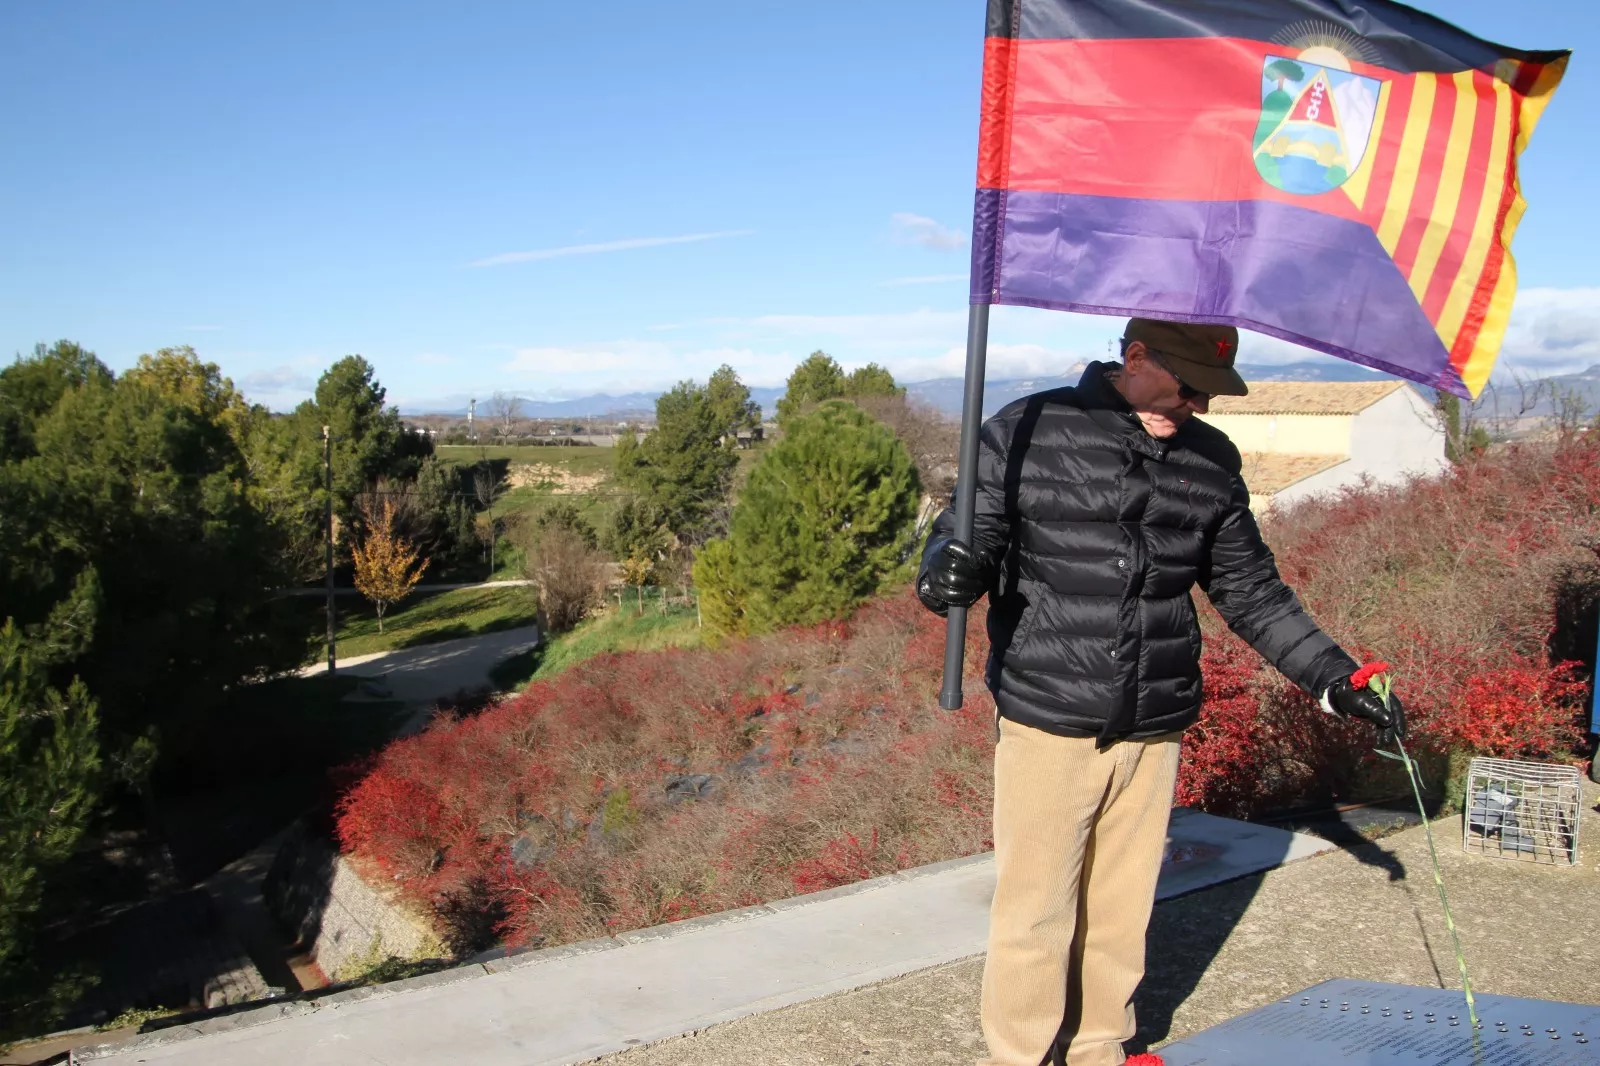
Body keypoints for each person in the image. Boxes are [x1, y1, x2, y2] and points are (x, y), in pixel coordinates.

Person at [915, 318, 1405, 1066]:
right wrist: (942, 572)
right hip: (1051, 716)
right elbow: (963, 540)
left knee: (1120, 911)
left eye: (1209, 394)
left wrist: (1335, 679)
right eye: (1188, 387)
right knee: (1035, 913)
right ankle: (1021, 1056)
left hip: (1155, 721)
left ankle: (1100, 1048)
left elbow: (1252, 593)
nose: (1197, 406)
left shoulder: (1211, 460)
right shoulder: (1027, 429)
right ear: (1135, 357)